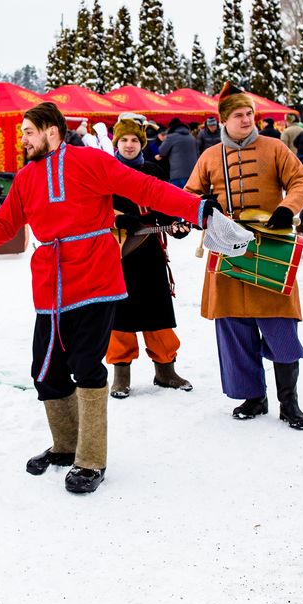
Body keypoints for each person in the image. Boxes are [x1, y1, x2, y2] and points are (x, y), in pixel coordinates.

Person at [0, 102, 210, 494]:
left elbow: (146, 189)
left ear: (51, 131)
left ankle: (91, 459)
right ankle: (64, 447)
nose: (22, 139)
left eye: (28, 131)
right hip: (51, 286)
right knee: (47, 370)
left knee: (86, 366)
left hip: (96, 278)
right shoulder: (25, 178)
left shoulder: (90, 161)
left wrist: (197, 208)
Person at [185, 83, 303, 430]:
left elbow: (301, 183)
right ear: (223, 120)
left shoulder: (274, 148)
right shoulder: (209, 157)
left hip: (270, 248)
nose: (246, 119)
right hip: (225, 252)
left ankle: (290, 403)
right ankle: (253, 397)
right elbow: (189, 195)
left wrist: (288, 209)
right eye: (238, 115)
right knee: (233, 327)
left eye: (249, 114)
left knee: (281, 326)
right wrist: (199, 209)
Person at [106, 117, 194, 399]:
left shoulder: (153, 170)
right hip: (117, 251)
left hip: (150, 250)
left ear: (141, 143)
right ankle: (121, 373)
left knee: (158, 309)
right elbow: (90, 208)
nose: (129, 145)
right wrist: (118, 220)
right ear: (116, 143)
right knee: (120, 313)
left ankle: (165, 369)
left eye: (134, 140)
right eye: (124, 140)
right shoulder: (105, 171)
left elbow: (166, 202)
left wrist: (176, 223)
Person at [158, 118, 197, 188]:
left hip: (177, 175)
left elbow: (162, 151)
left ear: (171, 128)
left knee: (177, 197)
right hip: (193, 173)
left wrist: (163, 140)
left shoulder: (171, 137)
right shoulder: (191, 137)